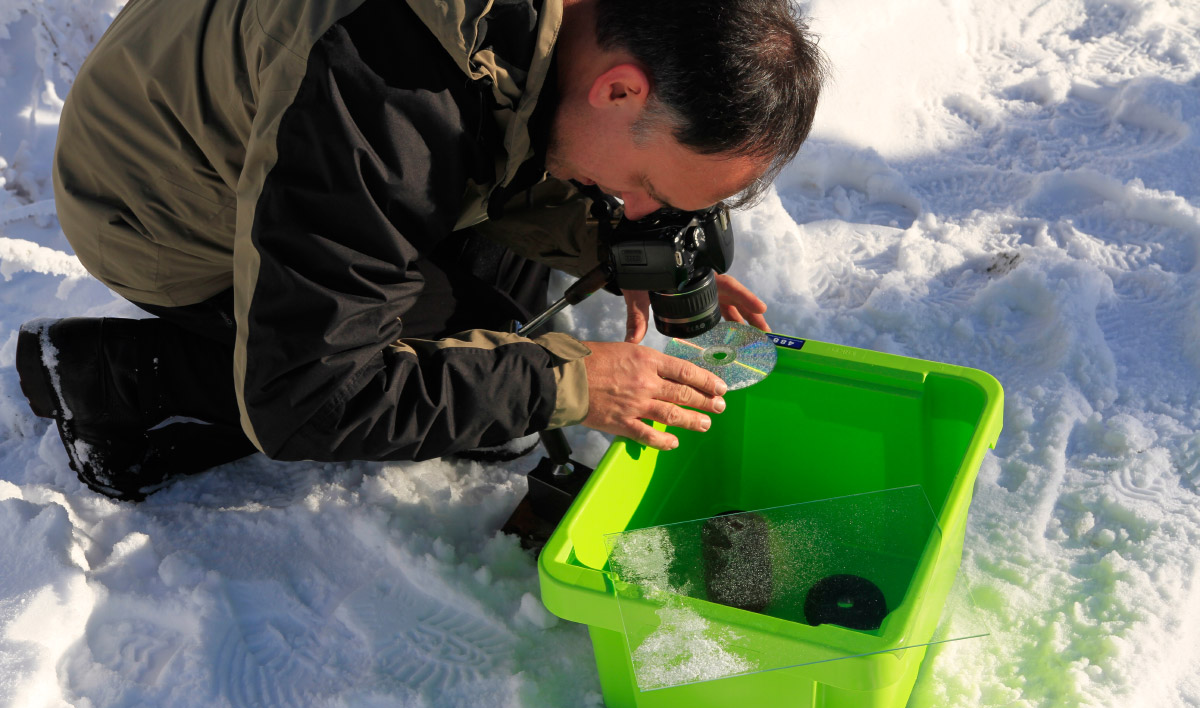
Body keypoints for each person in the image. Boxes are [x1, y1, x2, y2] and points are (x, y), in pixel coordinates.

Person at [16, 0, 825, 501]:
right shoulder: (387, 83)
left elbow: (520, 105)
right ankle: (113, 377)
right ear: (621, 89)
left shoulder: (589, 24)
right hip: (161, 203)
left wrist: (616, 240)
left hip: (278, 127)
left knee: (509, 321)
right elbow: (311, 395)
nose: (638, 209)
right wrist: (569, 383)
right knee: (493, 389)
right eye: (648, 185)